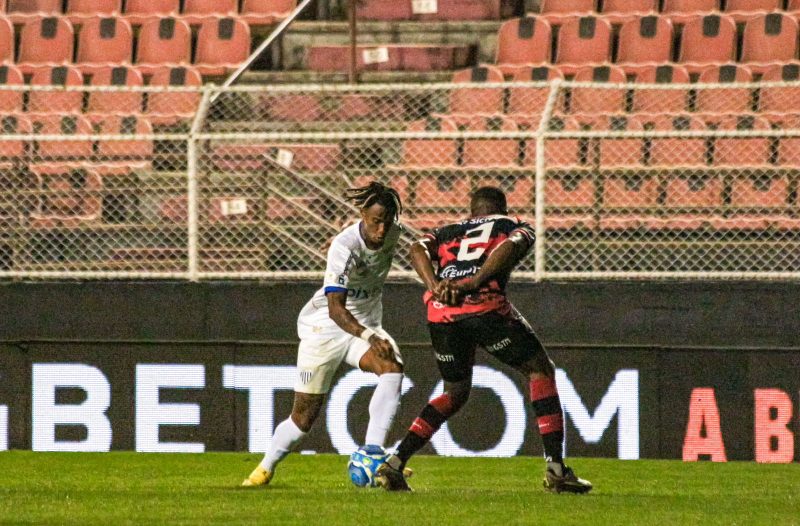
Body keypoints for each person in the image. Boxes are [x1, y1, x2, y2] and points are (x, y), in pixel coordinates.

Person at [375, 186, 592, 494]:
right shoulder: (512, 225)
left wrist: (435, 285)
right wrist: (473, 283)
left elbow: (415, 248)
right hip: (485, 309)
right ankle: (556, 469)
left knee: (454, 392)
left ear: (472, 209)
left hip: (441, 315)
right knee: (540, 370)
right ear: (502, 208)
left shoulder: (447, 230)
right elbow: (511, 247)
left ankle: (395, 464)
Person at [242, 181, 406, 487]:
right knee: (302, 419)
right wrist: (370, 336)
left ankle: (372, 451)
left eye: (387, 222)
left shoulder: (393, 234)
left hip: (365, 327)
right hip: (326, 330)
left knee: (392, 368)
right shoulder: (343, 247)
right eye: (375, 222)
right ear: (362, 216)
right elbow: (335, 309)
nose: (381, 230)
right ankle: (264, 468)